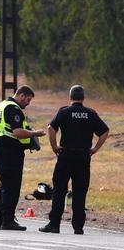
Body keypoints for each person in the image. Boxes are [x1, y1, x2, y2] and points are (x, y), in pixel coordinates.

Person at [39, 85, 109, 235]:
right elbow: (104, 131)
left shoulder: (64, 111)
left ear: (70, 97)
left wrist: (54, 146)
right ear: (83, 98)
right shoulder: (91, 113)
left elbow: (51, 128)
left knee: (59, 189)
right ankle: (78, 227)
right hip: (83, 157)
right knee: (80, 191)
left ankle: (54, 224)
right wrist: (95, 149)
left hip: (65, 155)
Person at [0, 85, 46, 231]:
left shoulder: (3, 104)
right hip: (10, 152)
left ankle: (0, 220)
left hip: (2, 149)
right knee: (11, 187)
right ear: (21, 95)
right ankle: (8, 220)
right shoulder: (13, 109)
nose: (28, 103)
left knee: (4, 186)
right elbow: (17, 132)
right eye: (28, 100)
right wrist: (35, 133)